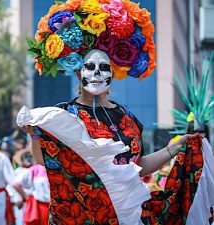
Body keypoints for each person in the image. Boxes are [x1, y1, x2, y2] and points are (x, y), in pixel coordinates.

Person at [17, 0, 214, 224]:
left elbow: (135, 167)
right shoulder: (64, 115)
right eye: (90, 67)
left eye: (104, 67)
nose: (97, 73)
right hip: (82, 216)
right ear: (79, 73)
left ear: (113, 73)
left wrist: (173, 148)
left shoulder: (128, 119)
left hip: (126, 214)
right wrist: (34, 135)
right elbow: (44, 160)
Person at [12, 148, 50, 225]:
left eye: (30, 156)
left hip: (52, 206)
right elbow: (15, 184)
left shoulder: (51, 169)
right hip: (37, 205)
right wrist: (25, 197)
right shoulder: (32, 170)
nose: (29, 159)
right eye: (26, 157)